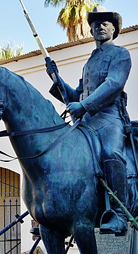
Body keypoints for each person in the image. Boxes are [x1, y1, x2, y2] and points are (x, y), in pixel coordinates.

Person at [47, 6, 132, 235]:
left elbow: (113, 84)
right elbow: (76, 96)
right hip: (86, 122)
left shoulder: (120, 54)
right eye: (95, 23)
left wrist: (83, 106)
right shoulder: (90, 62)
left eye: (105, 22)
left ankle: (119, 213)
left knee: (111, 154)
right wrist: (56, 78)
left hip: (108, 118)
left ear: (114, 28)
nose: (99, 26)